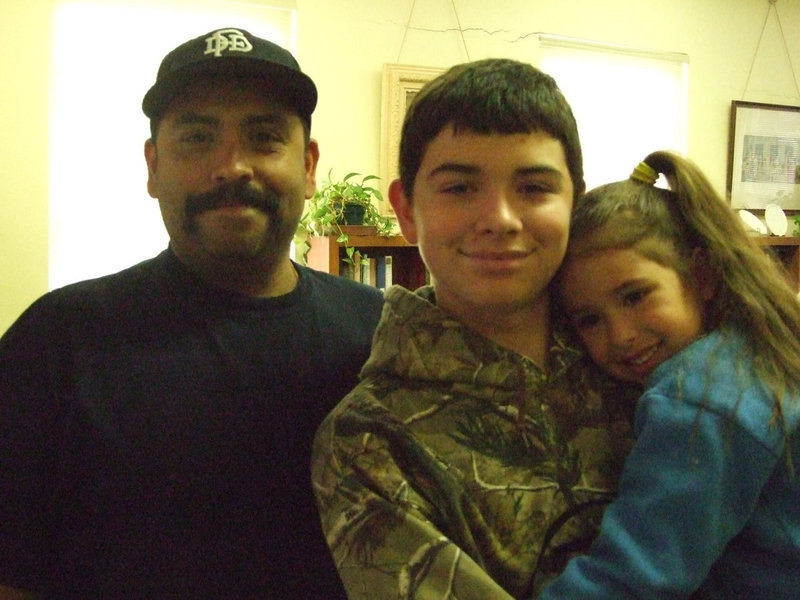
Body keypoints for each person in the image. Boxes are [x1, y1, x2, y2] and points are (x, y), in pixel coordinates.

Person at [0, 27, 384, 599]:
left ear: (308, 165)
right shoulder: (58, 341)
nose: (231, 167)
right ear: (153, 166)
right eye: (198, 139)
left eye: (263, 137)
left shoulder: (382, 336)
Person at [311, 58, 639, 599]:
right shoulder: (370, 443)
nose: (501, 218)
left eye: (534, 187)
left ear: (575, 200)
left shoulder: (630, 351)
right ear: (407, 209)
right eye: (460, 188)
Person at [539, 151, 800, 599]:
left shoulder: (705, 397)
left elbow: (636, 575)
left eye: (635, 296)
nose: (620, 336)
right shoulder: (751, 347)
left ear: (701, 276)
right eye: (589, 320)